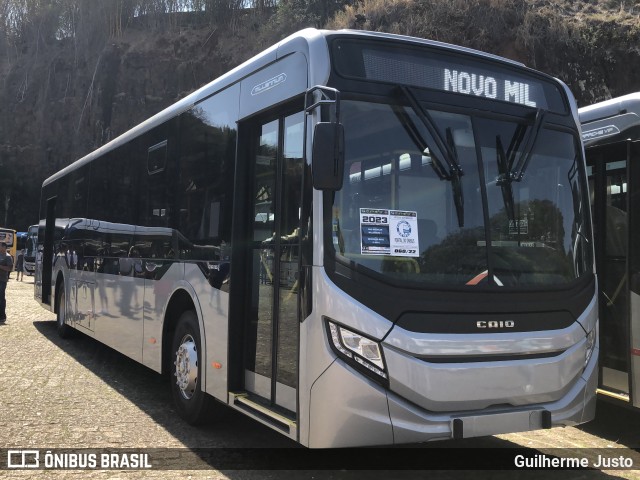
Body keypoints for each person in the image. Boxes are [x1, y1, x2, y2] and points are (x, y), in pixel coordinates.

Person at [0, 242, 14, 323]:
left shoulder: (8, 257)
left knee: (1, 298)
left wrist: (0, 266)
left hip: (2, 280)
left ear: (4, 247)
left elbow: (10, 268)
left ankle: (2, 316)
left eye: (0, 246)